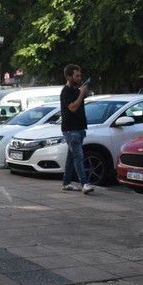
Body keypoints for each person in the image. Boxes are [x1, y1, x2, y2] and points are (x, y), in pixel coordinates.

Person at [60, 64, 94, 194]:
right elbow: (73, 108)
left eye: (80, 75)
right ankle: (85, 183)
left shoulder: (76, 90)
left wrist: (82, 93)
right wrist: (82, 94)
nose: (80, 78)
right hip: (71, 130)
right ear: (69, 77)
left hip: (79, 128)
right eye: (77, 76)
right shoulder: (66, 91)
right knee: (78, 156)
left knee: (71, 156)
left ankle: (66, 182)